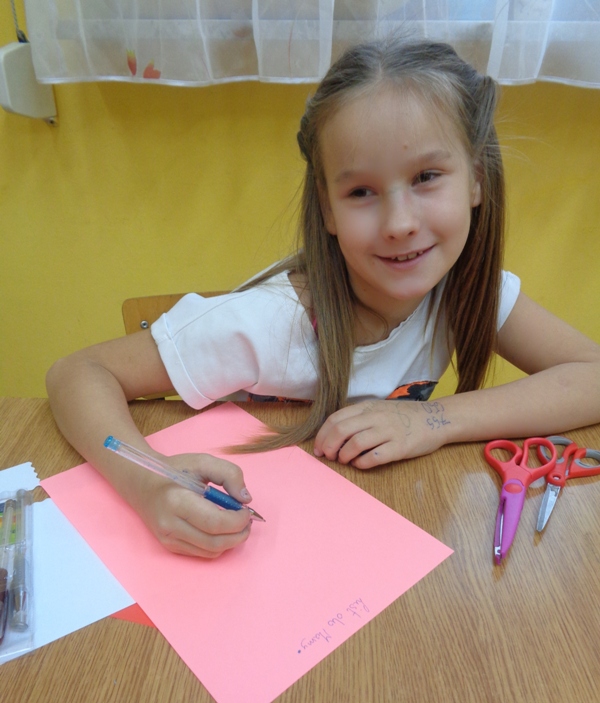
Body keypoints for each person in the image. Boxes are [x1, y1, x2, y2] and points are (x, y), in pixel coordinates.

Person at [46, 37, 600, 559]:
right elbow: (78, 373)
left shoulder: (464, 287)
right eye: (361, 191)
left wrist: (432, 421)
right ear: (328, 208)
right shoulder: (268, 325)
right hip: (255, 550)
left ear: (476, 178)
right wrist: (149, 484)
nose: (400, 223)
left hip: (374, 542)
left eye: (427, 176)